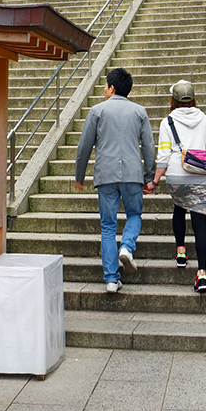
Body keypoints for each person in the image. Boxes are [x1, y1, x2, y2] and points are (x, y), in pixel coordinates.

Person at [75, 67, 156, 293]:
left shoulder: (97, 111)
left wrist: (79, 175)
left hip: (106, 176)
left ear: (111, 88)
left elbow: (84, 146)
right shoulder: (140, 112)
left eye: (104, 86)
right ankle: (128, 247)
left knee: (108, 226)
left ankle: (111, 279)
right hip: (132, 175)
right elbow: (149, 146)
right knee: (134, 214)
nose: (103, 90)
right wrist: (149, 177)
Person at [153, 80, 206, 293]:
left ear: (174, 100)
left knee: (179, 208)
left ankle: (181, 251)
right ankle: (202, 275)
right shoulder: (205, 120)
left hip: (176, 176)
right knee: (200, 223)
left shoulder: (167, 121)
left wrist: (154, 181)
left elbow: (163, 155)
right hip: (200, 176)